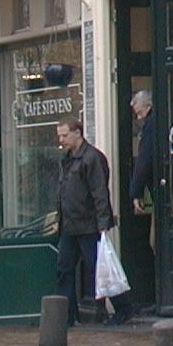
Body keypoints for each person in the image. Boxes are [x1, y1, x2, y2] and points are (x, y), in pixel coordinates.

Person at [56, 118, 133, 326]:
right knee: (64, 269)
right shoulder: (67, 158)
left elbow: (99, 191)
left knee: (100, 268)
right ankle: (66, 315)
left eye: (65, 135)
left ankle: (123, 308)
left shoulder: (92, 158)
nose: (61, 140)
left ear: (78, 133)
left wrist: (102, 224)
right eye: (59, 136)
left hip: (88, 224)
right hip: (70, 224)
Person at [129, 90, 156, 220]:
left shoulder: (151, 124)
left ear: (149, 106)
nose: (139, 118)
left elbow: (144, 160)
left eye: (140, 113)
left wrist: (136, 192)